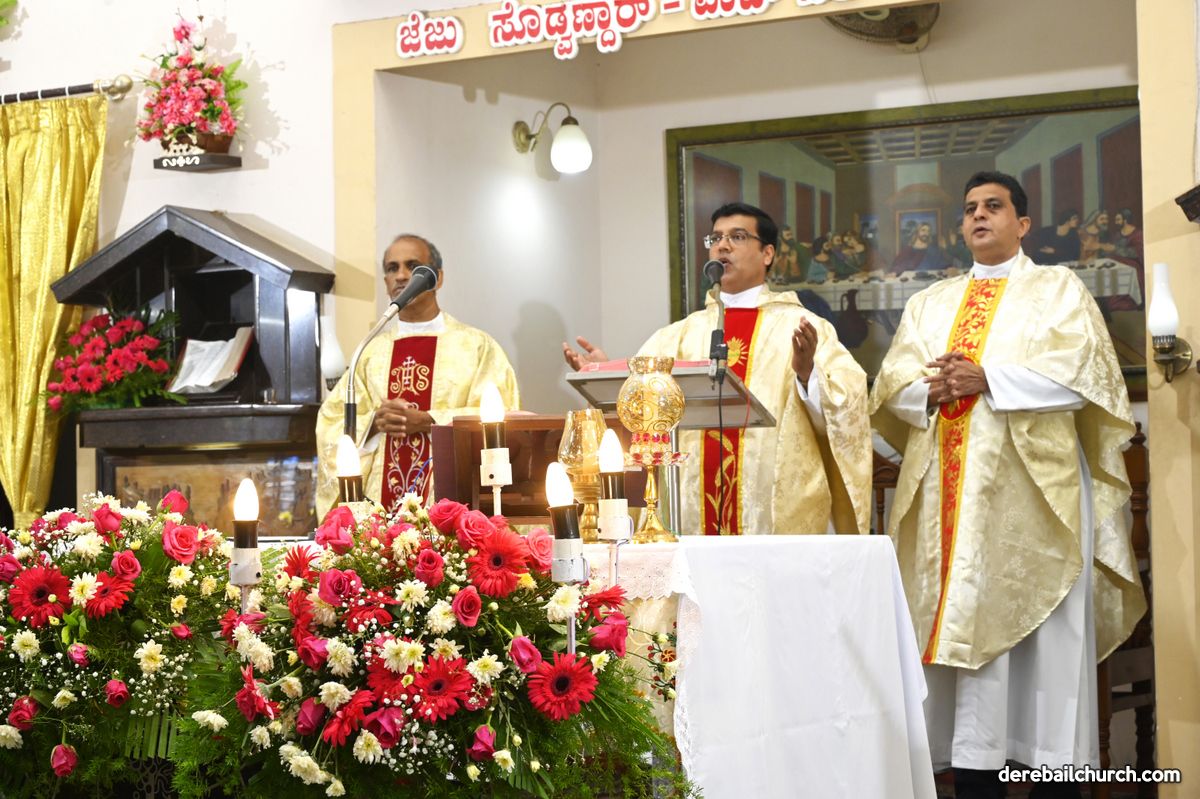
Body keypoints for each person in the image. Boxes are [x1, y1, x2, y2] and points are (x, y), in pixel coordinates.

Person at [869, 172, 1146, 799]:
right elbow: (891, 388)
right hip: (946, 504)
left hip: (1035, 500)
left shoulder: (1058, 290)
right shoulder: (930, 303)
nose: (978, 216)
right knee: (961, 651)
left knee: (1041, 639)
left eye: (993, 206)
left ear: (1022, 224)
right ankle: (972, 776)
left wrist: (987, 379)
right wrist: (932, 390)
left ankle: (1052, 776)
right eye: (970, 208)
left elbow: (1083, 378)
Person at [563, 202, 871, 536]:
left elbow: (847, 405)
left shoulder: (803, 326)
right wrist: (606, 374)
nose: (722, 246)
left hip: (772, 513)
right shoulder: (680, 334)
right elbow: (642, 406)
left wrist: (807, 373)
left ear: (767, 254)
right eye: (715, 238)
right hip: (689, 512)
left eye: (737, 237)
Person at [315, 234, 519, 516]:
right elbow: (331, 423)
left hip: (451, 507)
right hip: (379, 513)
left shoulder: (475, 347)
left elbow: (502, 417)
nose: (401, 275)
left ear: (438, 278)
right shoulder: (370, 352)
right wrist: (373, 423)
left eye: (413, 266)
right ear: (386, 281)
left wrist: (428, 420)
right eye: (392, 268)